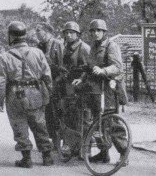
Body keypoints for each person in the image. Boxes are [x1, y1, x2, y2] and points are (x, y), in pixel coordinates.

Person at [0, 21, 54, 168]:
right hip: (35, 92)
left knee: (19, 125)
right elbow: (47, 75)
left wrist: (0, 101)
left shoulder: (4, 56)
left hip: (15, 95)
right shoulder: (38, 52)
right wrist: (49, 91)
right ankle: (47, 156)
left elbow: (1, 81)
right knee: (39, 124)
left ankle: (27, 158)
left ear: (11, 36)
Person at [86, 19, 128, 164]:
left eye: (98, 30)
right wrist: (82, 77)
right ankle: (104, 153)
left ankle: (124, 154)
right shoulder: (93, 47)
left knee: (112, 122)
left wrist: (103, 70)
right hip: (96, 89)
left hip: (109, 89)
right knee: (98, 122)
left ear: (104, 32)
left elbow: (117, 67)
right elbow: (90, 66)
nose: (95, 33)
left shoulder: (111, 45)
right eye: (93, 31)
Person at [59, 21, 90, 158]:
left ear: (77, 34)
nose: (68, 35)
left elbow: (88, 68)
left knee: (83, 118)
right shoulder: (66, 47)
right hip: (68, 86)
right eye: (66, 33)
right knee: (69, 116)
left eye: (71, 33)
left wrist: (81, 79)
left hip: (81, 87)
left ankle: (84, 149)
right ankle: (72, 147)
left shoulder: (84, 48)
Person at [35, 22, 64, 147]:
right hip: (44, 85)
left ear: (47, 32)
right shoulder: (39, 46)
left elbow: (63, 66)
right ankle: (52, 141)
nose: (37, 34)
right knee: (48, 114)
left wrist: (56, 81)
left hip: (57, 84)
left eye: (39, 31)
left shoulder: (57, 44)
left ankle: (60, 142)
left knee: (57, 113)